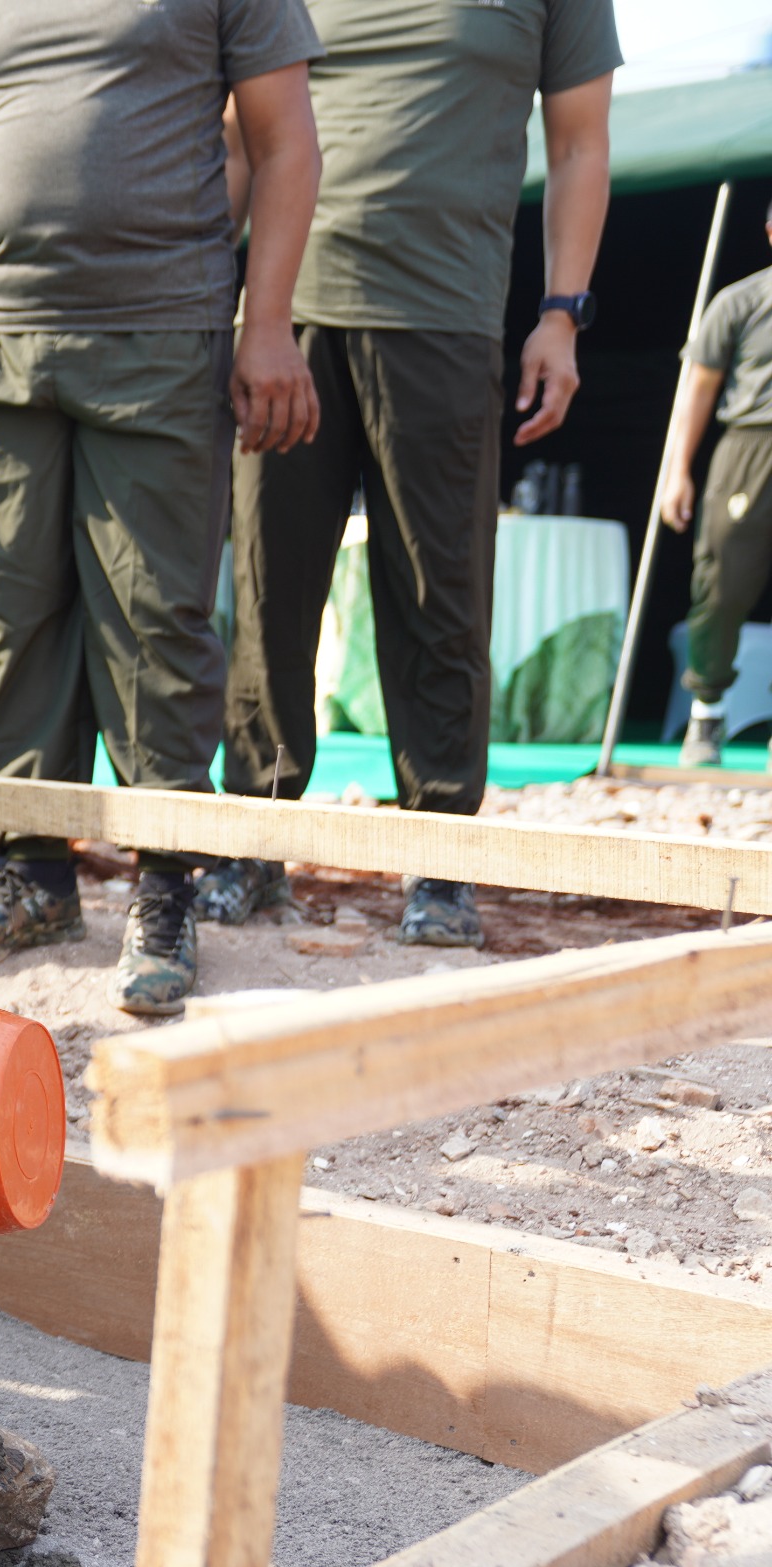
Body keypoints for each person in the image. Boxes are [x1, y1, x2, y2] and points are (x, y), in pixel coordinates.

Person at [0, 0, 324, 1017]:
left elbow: (285, 140)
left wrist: (268, 321)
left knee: (154, 616)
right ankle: (30, 878)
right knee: (9, 615)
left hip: (159, 333)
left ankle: (165, 889)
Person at [207, 0, 618, 947]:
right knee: (270, 588)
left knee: (440, 591)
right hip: (286, 316)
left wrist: (562, 314)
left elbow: (582, 143)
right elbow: (237, 140)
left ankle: (441, 858)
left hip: (445, 313)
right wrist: (201, 303)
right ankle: (255, 842)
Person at [667, 203, 772, 768]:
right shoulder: (740, 300)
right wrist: (676, 469)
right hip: (751, 446)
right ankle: (707, 710)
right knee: (722, 580)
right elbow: (698, 387)